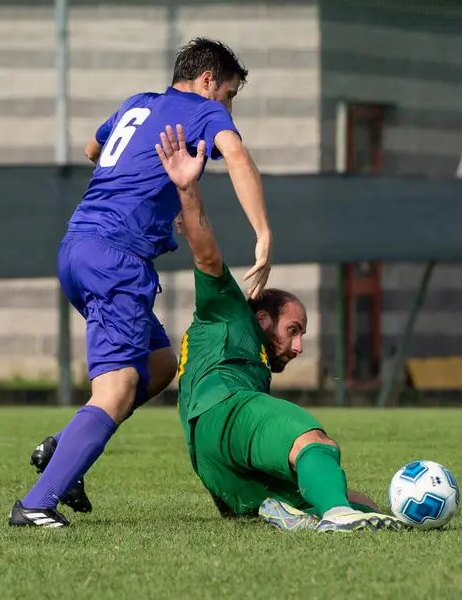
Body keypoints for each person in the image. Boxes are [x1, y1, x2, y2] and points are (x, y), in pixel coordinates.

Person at [9, 38, 273, 527]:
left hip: (78, 246)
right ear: (208, 80)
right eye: (230, 94)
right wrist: (263, 236)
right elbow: (237, 157)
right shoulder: (202, 110)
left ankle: (62, 450)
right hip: (116, 259)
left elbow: (93, 148)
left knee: (157, 364)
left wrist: (147, 189)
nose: (229, 107)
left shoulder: (138, 104)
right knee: (118, 385)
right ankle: (37, 504)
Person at [157, 124, 405, 532]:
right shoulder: (230, 310)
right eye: (294, 329)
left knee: (355, 499)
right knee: (313, 442)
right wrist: (187, 189)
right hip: (225, 411)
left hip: (213, 466)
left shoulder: (251, 362)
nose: (299, 345)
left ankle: (295, 509)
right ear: (262, 318)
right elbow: (206, 256)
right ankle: (337, 517)